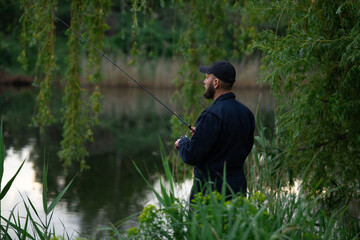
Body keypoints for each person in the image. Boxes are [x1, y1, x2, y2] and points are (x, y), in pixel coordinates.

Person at [174, 60, 255, 202]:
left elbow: (192, 155)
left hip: (211, 192)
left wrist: (182, 143)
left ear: (216, 83)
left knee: (206, 225)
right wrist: (202, 134)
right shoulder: (246, 113)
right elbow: (241, 146)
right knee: (234, 225)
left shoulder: (212, 115)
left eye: (207, 78)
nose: (204, 82)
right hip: (237, 190)